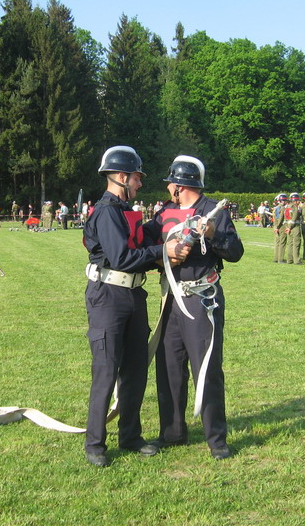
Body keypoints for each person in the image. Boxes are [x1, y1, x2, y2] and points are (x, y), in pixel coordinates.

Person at [82, 145, 187, 468]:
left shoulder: (124, 209)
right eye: (137, 178)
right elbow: (121, 258)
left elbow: (139, 246)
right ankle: (95, 443)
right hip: (108, 297)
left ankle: (130, 436)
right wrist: (163, 250)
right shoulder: (106, 212)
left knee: (135, 369)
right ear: (121, 176)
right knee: (106, 369)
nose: (140, 184)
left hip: (133, 295)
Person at [145, 155, 243, 460]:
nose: (168, 188)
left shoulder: (213, 211)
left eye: (170, 183)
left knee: (207, 367)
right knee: (169, 367)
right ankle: (172, 432)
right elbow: (145, 245)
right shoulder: (164, 213)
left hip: (201, 299)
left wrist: (213, 234)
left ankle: (216, 438)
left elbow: (235, 252)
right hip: (170, 298)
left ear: (180, 185)